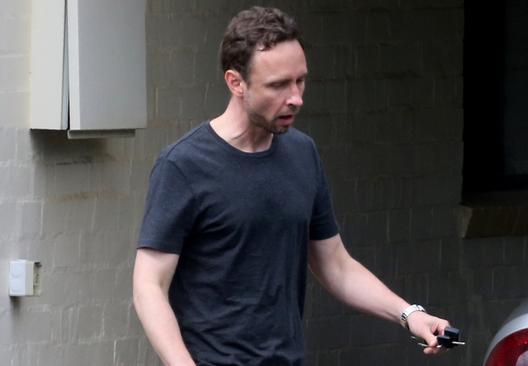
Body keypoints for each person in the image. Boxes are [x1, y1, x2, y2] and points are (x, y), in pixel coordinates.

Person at [133, 6, 452, 366]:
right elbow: (149, 286)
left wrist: (410, 314)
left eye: (300, 80)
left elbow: (335, 265)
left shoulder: (302, 154)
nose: (296, 97)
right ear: (235, 82)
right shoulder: (183, 165)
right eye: (278, 85)